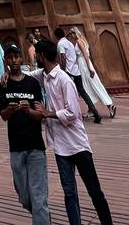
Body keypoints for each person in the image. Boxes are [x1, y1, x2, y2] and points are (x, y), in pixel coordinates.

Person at [33, 39, 113, 225]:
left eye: (37, 54)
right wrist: (7, 74)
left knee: (94, 190)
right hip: (61, 147)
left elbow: (73, 113)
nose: (35, 57)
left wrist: (48, 113)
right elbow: (26, 74)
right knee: (69, 193)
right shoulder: (43, 75)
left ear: (42, 56)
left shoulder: (64, 80)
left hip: (77, 145)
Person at [0, 44, 50, 225]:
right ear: (6, 61)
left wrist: (28, 111)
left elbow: (40, 114)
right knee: (25, 198)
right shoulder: (3, 84)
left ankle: (42, 218)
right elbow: (3, 116)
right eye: (10, 57)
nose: (14, 61)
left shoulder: (32, 83)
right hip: (16, 146)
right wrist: (11, 110)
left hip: (35, 145)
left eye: (16, 57)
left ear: (21, 59)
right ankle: (41, 216)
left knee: (39, 197)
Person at [54, 27, 101, 123]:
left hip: (69, 72)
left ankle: (73, 115)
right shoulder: (69, 43)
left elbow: (63, 58)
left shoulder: (61, 44)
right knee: (83, 92)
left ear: (56, 36)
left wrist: (63, 70)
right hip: (76, 71)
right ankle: (96, 113)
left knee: (69, 94)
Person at [72, 27, 116, 119]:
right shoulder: (83, 40)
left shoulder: (79, 42)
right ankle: (98, 108)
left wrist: (89, 68)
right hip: (85, 65)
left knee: (90, 86)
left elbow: (85, 55)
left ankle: (108, 106)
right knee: (92, 86)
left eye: (71, 34)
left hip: (84, 66)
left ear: (74, 33)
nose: (71, 36)